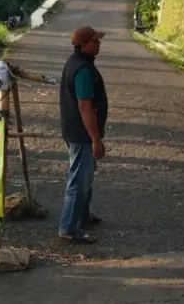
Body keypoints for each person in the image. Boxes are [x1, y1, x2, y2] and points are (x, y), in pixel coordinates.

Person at [57, 26, 109, 244]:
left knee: (85, 176)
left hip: (73, 130)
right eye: (95, 40)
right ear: (84, 44)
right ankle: (68, 228)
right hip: (82, 133)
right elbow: (85, 105)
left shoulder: (75, 62)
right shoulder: (84, 70)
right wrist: (95, 139)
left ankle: (83, 216)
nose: (99, 43)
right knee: (79, 180)